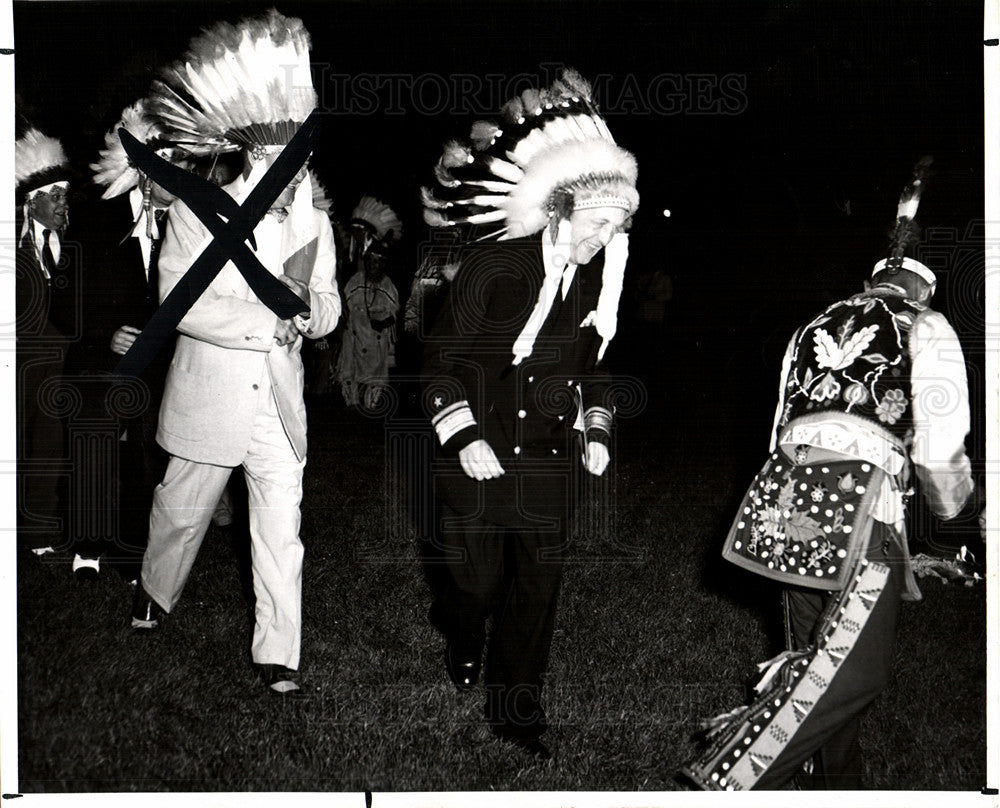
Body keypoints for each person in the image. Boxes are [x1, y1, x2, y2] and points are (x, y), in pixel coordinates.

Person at [680, 159, 982, 789]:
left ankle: (835, 789)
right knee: (849, 675)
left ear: (873, 280)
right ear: (924, 288)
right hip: (859, 510)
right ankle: (731, 781)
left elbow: (779, 428)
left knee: (814, 659)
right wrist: (959, 519)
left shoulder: (813, 322)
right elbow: (937, 448)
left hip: (785, 497)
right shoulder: (925, 326)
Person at [420, 69, 639, 759]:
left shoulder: (595, 279)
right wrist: (463, 434)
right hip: (477, 456)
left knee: (537, 593)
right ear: (561, 210)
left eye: (616, 229)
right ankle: (459, 631)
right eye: (598, 224)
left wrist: (595, 427)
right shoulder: (495, 267)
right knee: (477, 587)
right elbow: (439, 365)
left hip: (545, 464)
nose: (604, 240)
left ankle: (517, 711)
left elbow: (593, 369)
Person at [128, 9, 341, 698]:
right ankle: (156, 589)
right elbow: (183, 305)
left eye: (306, 161)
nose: (303, 172)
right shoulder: (199, 212)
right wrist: (265, 320)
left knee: (282, 526)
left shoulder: (316, 222)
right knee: (182, 511)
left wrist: (308, 313)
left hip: (277, 405)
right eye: (294, 162)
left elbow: (329, 304)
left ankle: (278, 652)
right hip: (211, 395)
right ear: (259, 157)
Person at [15, 128, 77, 559]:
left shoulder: (71, 246)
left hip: (56, 368)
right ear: (31, 199)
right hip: (17, 365)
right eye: (54, 196)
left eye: (65, 196)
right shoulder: (11, 245)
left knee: (49, 447)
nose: (62, 204)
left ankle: (39, 532)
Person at [337, 202, 401, 410]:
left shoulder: (388, 285)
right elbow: (344, 306)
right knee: (349, 366)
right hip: (354, 335)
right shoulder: (356, 281)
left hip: (376, 339)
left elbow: (394, 314)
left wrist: (382, 322)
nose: (375, 266)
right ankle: (351, 402)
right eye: (372, 262)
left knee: (376, 372)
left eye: (379, 263)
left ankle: (371, 403)